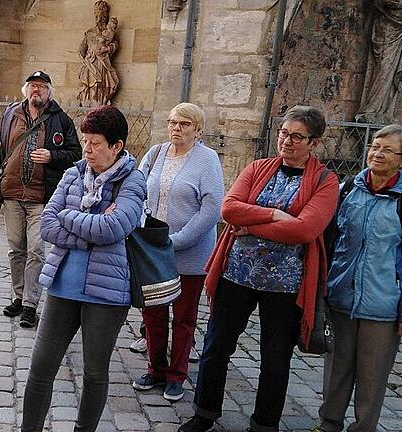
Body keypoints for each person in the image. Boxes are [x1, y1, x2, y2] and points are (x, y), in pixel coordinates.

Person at [179, 105, 339, 432]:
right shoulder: (257, 167)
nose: (287, 141)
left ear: (315, 143)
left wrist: (252, 227)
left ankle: (264, 425)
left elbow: (305, 230)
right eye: (283, 133)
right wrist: (274, 216)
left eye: (297, 137)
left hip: (285, 286)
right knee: (216, 346)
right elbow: (229, 209)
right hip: (237, 274)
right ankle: (204, 413)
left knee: (275, 359)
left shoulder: (325, 181)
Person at [21, 105, 147, 431]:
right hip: (64, 283)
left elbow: (115, 228)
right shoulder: (73, 173)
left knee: (94, 372)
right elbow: (48, 225)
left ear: (117, 146)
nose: (87, 149)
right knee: (40, 368)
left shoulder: (133, 181)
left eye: (96, 143)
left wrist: (70, 217)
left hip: (107, 293)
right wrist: (88, 226)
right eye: (86, 141)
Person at [131, 103, 224, 402]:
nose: (176, 128)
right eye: (173, 122)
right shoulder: (156, 153)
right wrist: (143, 223)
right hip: (154, 249)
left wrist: (179, 239)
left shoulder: (207, 160)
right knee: (153, 313)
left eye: (184, 124)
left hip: (189, 252)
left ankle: (176, 374)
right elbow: (136, 188)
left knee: (184, 317)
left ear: (198, 129)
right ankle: (155, 369)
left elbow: (212, 209)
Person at [314, 124, 402, 432]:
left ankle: (363, 428)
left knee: (372, 377)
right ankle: (328, 424)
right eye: (375, 146)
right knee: (336, 369)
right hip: (341, 295)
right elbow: (329, 238)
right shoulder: (349, 188)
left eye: (387, 150)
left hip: (383, 305)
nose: (377, 153)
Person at [0, 71, 81, 328]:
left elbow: (75, 153)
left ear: (50, 91)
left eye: (41, 87)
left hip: (41, 195)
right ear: (25, 90)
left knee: (36, 250)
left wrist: (52, 156)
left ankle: (30, 304)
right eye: (32, 86)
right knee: (16, 247)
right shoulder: (10, 114)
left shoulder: (60, 119)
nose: (36, 91)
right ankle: (18, 295)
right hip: (13, 193)